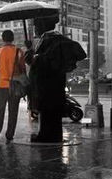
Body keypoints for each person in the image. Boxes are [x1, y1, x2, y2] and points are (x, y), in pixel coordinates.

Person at [27, 15, 86, 143]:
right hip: (51, 83)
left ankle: (46, 136)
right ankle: (49, 135)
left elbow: (43, 60)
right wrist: (31, 51)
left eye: (36, 26)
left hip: (49, 83)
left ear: (43, 26)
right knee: (50, 110)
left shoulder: (54, 40)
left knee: (49, 110)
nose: (35, 29)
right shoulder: (46, 40)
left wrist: (37, 57)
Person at [0, 30, 25, 142]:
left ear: (3, 39)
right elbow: (23, 69)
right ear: (12, 38)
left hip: (1, 86)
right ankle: (9, 134)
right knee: (13, 111)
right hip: (15, 85)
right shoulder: (19, 51)